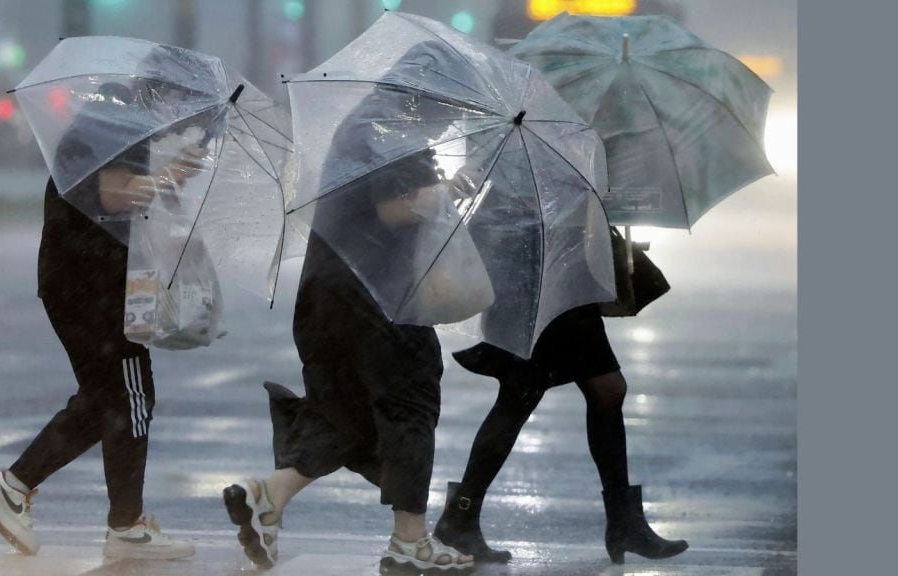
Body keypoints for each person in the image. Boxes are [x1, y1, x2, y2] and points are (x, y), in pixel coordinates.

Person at [221, 42, 475, 574]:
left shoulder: (368, 125)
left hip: (326, 292)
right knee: (410, 404)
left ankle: (269, 495)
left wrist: (442, 189)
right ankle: (410, 542)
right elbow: (393, 210)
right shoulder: (392, 135)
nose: (451, 118)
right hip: (376, 295)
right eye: (449, 106)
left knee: (348, 410)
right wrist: (443, 195)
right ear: (425, 96)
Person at [0, 80, 208, 560]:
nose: (175, 118)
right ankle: (122, 525)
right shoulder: (115, 124)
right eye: (175, 106)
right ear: (157, 96)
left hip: (81, 281)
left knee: (109, 399)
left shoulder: (110, 120)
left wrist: (168, 175)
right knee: (130, 394)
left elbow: (112, 194)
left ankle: (19, 487)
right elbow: (114, 194)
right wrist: (170, 174)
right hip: (90, 285)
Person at [433, 230, 689, 565]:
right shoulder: (522, 178)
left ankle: (623, 522)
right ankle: (460, 517)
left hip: (564, 277)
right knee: (540, 393)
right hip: (537, 279)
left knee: (566, 392)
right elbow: (506, 217)